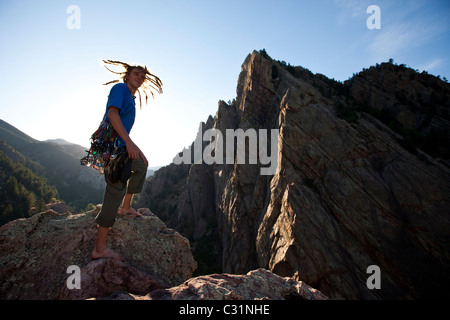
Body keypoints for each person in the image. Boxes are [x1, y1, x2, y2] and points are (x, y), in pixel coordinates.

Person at [91, 60, 163, 260]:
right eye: (136, 74)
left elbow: (122, 125)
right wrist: (129, 144)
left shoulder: (131, 97)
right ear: (127, 76)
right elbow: (112, 114)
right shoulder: (120, 89)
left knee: (141, 165)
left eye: (142, 76)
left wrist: (135, 148)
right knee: (115, 188)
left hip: (121, 144)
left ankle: (125, 207)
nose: (140, 78)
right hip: (112, 145)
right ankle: (99, 248)